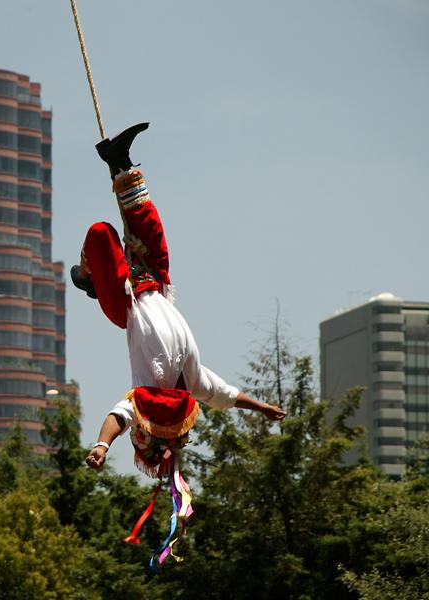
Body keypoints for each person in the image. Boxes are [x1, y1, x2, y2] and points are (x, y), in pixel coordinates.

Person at [71, 122, 287, 473]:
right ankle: (119, 161)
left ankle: (90, 280)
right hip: (156, 284)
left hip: (124, 302)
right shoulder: (195, 380)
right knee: (150, 228)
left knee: (100, 233)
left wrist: (101, 445)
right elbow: (229, 396)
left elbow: (119, 415)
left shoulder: (144, 391)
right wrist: (262, 408)